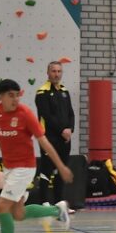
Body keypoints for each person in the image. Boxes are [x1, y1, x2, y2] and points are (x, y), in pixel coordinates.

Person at [0, 79, 73, 233]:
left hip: (24, 167)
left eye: (17, 95)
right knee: (18, 213)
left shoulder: (25, 114)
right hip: (8, 168)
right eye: (10, 96)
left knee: (2, 206)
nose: (15, 99)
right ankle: (57, 210)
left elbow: (44, 142)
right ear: (1, 97)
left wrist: (61, 166)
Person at [35, 61, 75, 206]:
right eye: (53, 71)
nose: (56, 74)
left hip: (65, 138)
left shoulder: (64, 91)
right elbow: (47, 116)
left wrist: (70, 129)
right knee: (47, 169)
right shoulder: (42, 92)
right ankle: (44, 202)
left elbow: (71, 113)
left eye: (59, 71)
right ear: (48, 73)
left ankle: (58, 202)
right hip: (49, 138)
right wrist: (61, 130)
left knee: (61, 169)